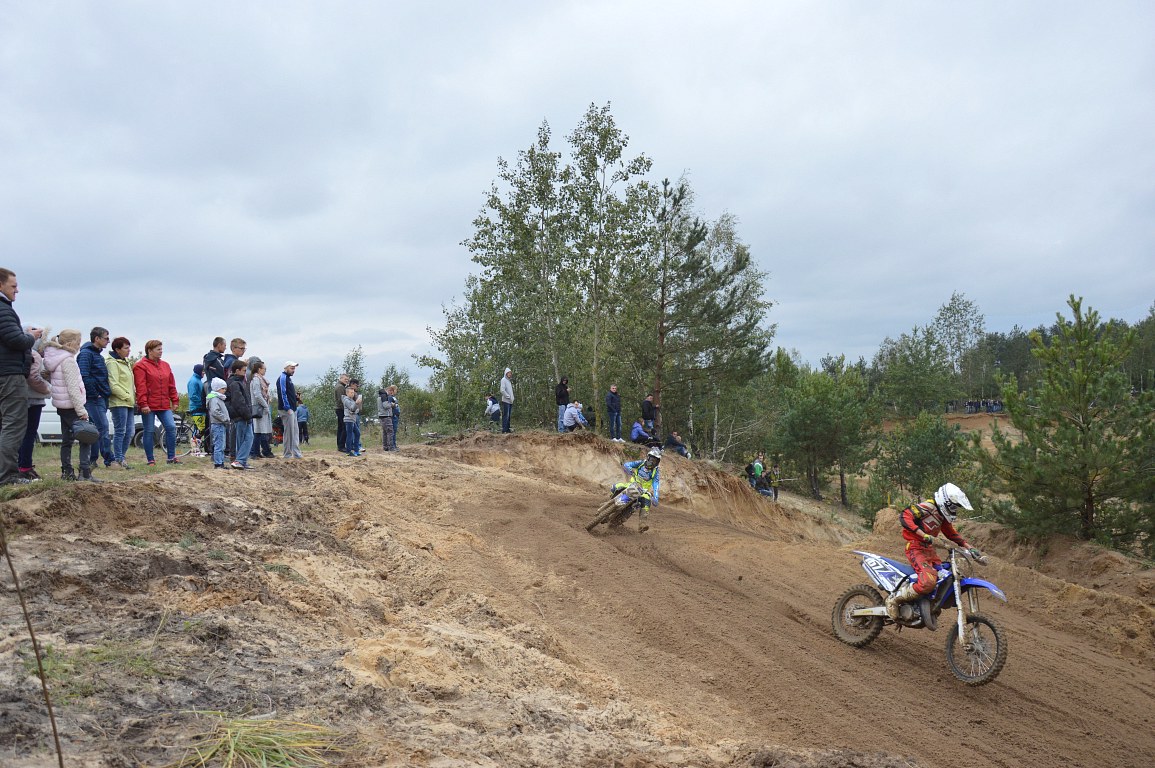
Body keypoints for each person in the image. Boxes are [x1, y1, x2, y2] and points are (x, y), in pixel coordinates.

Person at [885, 483, 984, 620]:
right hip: (915, 547)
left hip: (929, 550)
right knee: (928, 581)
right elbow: (905, 516)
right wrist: (923, 534)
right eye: (953, 506)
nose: (954, 510)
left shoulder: (942, 515)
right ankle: (894, 599)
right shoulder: (928, 507)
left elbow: (951, 533)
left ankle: (924, 605)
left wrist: (968, 547)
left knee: (945, 576)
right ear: (946, 501)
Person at [0, 269, 43, 486]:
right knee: (14, 424)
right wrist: (30, 336)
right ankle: (8, 477)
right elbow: (15, 340)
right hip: (9, 374)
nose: (17, 290)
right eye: (13, 286)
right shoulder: (4, 310)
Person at [43, 330, 99, 482]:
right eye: (78, 342)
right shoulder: (68, 361)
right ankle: (85, 472)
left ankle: (67, 472)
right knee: (86, 437)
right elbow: (73, 388)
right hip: (73, 406)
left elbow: (50, 378)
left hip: (62, 406)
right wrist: (81, 410)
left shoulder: (55, 359)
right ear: (70, 343)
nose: (79, 345)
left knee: (67, 440)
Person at [133, 339, 181, 466]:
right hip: (148, 405)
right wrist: (143, 403)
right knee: (149, 431)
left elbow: (171, 384)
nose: (161, 351)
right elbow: (140, 386)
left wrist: (174, 400)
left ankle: (171, 457)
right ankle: (150, 460)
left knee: (171, 428)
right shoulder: (140, 366)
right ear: (150, 351)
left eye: (161, 349)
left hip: (164, 404)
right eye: (158, 349)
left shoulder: (166, 365)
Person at [77, 326, 114, 471]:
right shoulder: (86, 354)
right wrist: (94, 393)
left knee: (95, 429)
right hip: (93, 399)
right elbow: (84, 375)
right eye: (106, 338)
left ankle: (92, 460)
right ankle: (109, 460)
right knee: (102, 427)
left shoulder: (97, 355)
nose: (108, 341)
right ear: (97, 338)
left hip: (100, 397)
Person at [17, 327, 51, 481]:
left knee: (17, 434)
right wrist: (48, 389)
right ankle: (25, 467)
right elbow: (33, 378)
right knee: (29, 434)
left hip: (18, 397)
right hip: (33, 399)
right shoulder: (34, 354)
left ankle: (16, 466)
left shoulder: (16, 353)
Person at [610, 447, 662, 534]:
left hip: (643, 491)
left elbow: (656, 485)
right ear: (648, 457)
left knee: (647, 500)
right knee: (616, 486)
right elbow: (627, 464)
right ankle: (609, 503)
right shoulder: (641, 463)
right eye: (652, 459)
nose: (653, 462)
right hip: (632, 485)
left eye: (655, 461)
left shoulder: (655, 472)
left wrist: (656, 498)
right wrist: (629, 470)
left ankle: (642, 523)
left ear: (658, 462)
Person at [105, 337, 135, 469]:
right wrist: (127, 396)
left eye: (129, 347)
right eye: (126, 348)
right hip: (119, 402)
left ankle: (121, 457)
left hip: (129, 402)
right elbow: (113, 385)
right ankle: (118, 459)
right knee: (120, 431)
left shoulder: (126, 362)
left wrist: (132, 397)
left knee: (130, 432)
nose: (129, 350)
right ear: (117, 350)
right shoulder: (111, 363)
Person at [225, 359, 254, 469]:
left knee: (246, 438)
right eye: (244, 370)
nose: (245, 373)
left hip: (241, 415)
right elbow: (239, 402)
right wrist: (247, 415)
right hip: (240, 416)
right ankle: (239, 460)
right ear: (237, 371)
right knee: (245, 439)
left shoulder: (237, 382)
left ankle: (242, 461)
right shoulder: (234, 383)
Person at [249, 360, 274, 460]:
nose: (265, 371)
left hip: (262, 407)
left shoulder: (260, 379)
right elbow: (258, 395)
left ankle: (258, 452)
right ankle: (256, 452)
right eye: (264, 369)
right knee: (259, 430)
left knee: (260, 431)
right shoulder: (256, 380)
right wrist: (265, 405)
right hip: (259, 408)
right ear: (259, 369)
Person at [276, 362, 302, 458]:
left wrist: (296, 398)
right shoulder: (282, 378)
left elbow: (289, 393)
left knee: (295, 431)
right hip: (286, 409)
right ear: (286, 368)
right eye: (291, 368)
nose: (293, 370)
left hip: (293, 408)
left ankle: (296, 453)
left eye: (294, 368)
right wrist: (287, 408)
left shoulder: (288, 379)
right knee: (289, 432)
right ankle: (287, 454)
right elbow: (282, 393)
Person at [206, 378, 230, 469]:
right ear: (217, 388)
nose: (224, 390)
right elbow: (215, 412)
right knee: (219, 444)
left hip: (221, 424)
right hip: (218, 424)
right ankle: (218, 463)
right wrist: (225, 419)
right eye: (223, 388)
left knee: (222, 444)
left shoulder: (218, 398)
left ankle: (221, 462)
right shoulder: (214, 399)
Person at [186, 363, 207, 456]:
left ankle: (197, 449)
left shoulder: (198, 380)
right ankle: (194, 451)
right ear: (199, 371)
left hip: (200, 408)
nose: (204, 373)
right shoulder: (193, 381)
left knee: (201, 429)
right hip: (196, 408)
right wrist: (202, 403)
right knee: (198, 429)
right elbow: (193, 395)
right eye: (203, 371)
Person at [342, 384, 362, 456]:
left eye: (353, 392)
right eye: (351, 392)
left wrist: (355, 406)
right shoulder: (346, 400)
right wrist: (356, 404)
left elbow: (356, 410)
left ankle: (356, 450)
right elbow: (352, 409)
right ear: (347, 393)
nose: (352, 394)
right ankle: (348, 451)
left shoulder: (352, 400)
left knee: (357, 433)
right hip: (348, 420)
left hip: (352, 419)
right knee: (349, 435)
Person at [333, 372, 350, 452]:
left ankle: (340, 445)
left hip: (339, 409)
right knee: (344, 427)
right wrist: (347, 408)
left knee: (340, 428)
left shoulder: (340, 386)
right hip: (341, 409)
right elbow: (341, 400)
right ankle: (341, 446)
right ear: (341, 378)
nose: (347, 381)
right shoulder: (340, 387)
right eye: (345, 379)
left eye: (347, 380)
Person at [377, 386, 396, 451]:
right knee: (390, 432)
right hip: (386, 416)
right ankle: (391, 447)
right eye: (391, 392)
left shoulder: (380, 396)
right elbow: (385, 406)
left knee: (385, 432)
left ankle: (385, 447)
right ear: (389, 390)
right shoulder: (384, 396)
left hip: (382, 416)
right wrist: (392, 404)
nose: (391, 394)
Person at [499, 367, 514, 434]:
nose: (510, 374)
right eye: (509, 373)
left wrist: (512, 398)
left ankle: (507, 429)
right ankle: (504, 430)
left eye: (510, 373)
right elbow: (502, 390)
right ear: (506, 373)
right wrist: (508, 396)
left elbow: (510, 391)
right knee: (506, 415)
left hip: (510, 401)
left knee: (509, 416)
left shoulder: (509, 381)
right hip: (506, 401)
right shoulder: (503, 380)